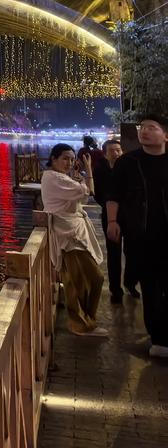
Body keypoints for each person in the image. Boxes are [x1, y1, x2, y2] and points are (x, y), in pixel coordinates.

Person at [107, 113, 168, 358]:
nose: (144, 131)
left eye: (152, 127)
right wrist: (113, 221)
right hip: (140, 236)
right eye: (142, 127)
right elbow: (114, 195)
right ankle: (160, 339)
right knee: (151, 288)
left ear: (165, 134)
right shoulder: (128, 162)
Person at [41, 143, 106, 336]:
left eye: (71, 159)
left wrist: (79, 182)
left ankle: (85, 321)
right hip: (69, 235)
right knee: (88, 279)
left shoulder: (59, 177)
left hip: (72, 233)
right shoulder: (54, 178)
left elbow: (81, 197)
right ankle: (81, 324)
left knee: (80, 279)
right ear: (53, 159)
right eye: (64, 158)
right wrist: (88, 171)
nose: (69, 162)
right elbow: (89, 192)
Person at [92, 138, 138, 303]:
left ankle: (130, 282)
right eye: (112, 151)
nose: (116, 153)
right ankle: (115, 290)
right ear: (105, 154)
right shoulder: (100, 170)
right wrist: (110, 206)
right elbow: (98, 194)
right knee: (114, 253)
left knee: (132, 251)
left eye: (118, 150)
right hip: (110, 216)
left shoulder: (129, 168)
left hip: (131, 215)